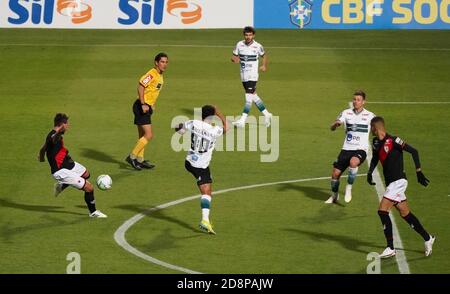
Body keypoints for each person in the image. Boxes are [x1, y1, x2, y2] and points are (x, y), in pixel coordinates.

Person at [367, 116, 434, 258]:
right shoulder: (376, 142)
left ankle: (390, 247)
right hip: (391, 183)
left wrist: (419, 172)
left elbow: (414, 151)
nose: (370, 130)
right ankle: (428, 238)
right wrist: (369, 172)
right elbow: (375, 158)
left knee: (382, 210)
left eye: (371, 127)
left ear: (376, 127)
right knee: (405, 213)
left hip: (399, 181)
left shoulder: (394, 140)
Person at [38, 113, 107, 218]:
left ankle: (61, 185)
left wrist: (42, 156)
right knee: (89, 188)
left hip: (67, 163)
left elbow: (43, 148)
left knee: (86, 174)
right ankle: (93, 212)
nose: (68, 126)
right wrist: (58, 132)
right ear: (62, 124)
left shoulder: (55, 135)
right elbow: (51, 139)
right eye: (67, 124)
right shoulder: (53, 136)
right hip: (60, 171)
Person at [175, 105, 229, 234]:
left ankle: (206, 220)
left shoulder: (193, 123)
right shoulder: (214, 130)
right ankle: (205, 221)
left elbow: (180, 131)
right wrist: (220, 113)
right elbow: (227, 128)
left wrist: (180, 127)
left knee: (207, 190)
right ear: (212, 116)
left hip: (189, 162)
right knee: (206, 192)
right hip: (200, 166)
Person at [325, 90, 375, 204]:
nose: (355, 102)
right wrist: (335, 124)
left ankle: (349, 188)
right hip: (346, 149)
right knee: (335, 174)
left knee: (353, 162)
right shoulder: (346, 113)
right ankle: (334, 196)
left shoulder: (370, 116)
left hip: (360, 149)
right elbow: (332, 127)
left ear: (363, 102)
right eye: (354, 99)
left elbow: (378, 127)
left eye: (358, 100)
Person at [126, 52, 169, 170]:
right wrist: (143, 103)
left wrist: (152, 104)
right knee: (149, 135)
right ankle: (132, 156)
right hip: (141, 107)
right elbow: (141, 86)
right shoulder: (152, 73)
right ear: (156, 63)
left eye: (166, 62)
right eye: (162, 62)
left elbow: (152, 91)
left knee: (142, 136)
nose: (164, 64)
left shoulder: (160, 75)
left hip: (147, 107)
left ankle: (140, 160)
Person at [231, 26, 273, 128]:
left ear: (253, 35)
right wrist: (234, 59)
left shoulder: (257, 46)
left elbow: (264, 55)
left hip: (253, 75)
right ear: (244, 35)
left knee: (248, 98)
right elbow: (234, 56)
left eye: (250, 35)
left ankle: (242, 120)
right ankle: (267, 114)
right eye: (246, 35)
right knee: (253, 95)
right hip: (243, 75)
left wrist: (264, 65)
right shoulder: (239, 44)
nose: (248, 37)